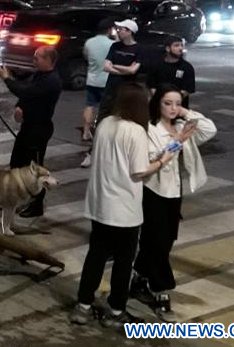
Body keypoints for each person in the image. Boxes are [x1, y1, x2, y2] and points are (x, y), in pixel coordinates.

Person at [71, 83, 176, 329]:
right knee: (123, 261)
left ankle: (83, 306)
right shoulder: (135, 131)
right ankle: (116, 310)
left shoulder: (105, 123)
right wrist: (162, 161)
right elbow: (139, 171)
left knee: (96, 255)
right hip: (123, 209)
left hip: (99, 204)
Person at [131, 85, 216, 322]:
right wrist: (177, 141)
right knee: (157, 240)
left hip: (174, 191)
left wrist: (186, 114)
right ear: (157, 103)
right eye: (167, 103)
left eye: (177, 103)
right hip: (153, 190)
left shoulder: (182, 125)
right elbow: (152, 158)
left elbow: (209, 129)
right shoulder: (150, 128)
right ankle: (161, 289)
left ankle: (139, 276)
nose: (172, 108)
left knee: (165, 239)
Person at [0, 45, 62, 218]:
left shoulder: (52, 81)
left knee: (35, 170)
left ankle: (37, 204)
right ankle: (11, 199)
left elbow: (26, 91)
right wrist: (19, 107)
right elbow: (27, 94)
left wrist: (7, 79)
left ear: (48, 60)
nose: (33, 60)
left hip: (38, 130)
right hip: (28, 127)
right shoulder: (40, 75)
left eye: (37, 58)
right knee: (16, 165)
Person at [97, 19, 144, 121]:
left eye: (121, 29)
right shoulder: (115, 46)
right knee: (104, 114)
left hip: (127, 89)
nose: (118, 31)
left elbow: (133, 71)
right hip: (111, 88)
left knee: (122, 115)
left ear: (129, 31)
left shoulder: (139, 49)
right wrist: (126, 70)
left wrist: (114, 66)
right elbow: (106, 67)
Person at [81, 19, 115, 159]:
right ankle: (102, 134)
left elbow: (85, 56)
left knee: (90, 105)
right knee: (105, 109)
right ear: (109, 30)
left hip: (92, 79)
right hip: (106, 80)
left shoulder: (89, 42)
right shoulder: (112, 44)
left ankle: (85, 131)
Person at [146, 37, 196, 108]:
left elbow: (187, 89)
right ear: (168, 48)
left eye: (181, 45)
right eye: (176, 45)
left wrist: (172, 101)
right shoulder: (156, 65)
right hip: (159, 105)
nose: (180, 48)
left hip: (179, 106)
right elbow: (152, 85)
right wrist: (160, 99)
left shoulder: (187, 67)